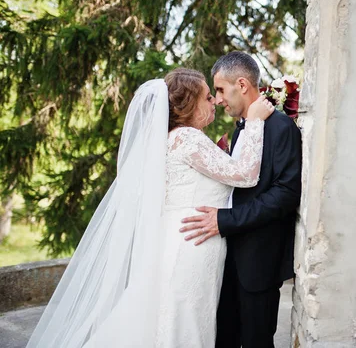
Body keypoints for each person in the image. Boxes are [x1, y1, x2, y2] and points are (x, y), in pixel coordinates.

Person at [27, 68, 275, 347]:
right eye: (208, 97)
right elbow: (245, 175)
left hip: (182, 238)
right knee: (183, 322)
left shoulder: (170, 139)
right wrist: (254, 122)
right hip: (191, 244)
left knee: (174, 318)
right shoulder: (187, 138)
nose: (215, 102)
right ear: (190, 104)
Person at [180, 51, 302, 348]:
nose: (218, 99)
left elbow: (284, 195)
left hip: (259, 261)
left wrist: (224, 220)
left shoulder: (281, 128)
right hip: (228, 257)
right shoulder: (242, 130)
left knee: (256, 342)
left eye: (220, 90)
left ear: (243, 84)